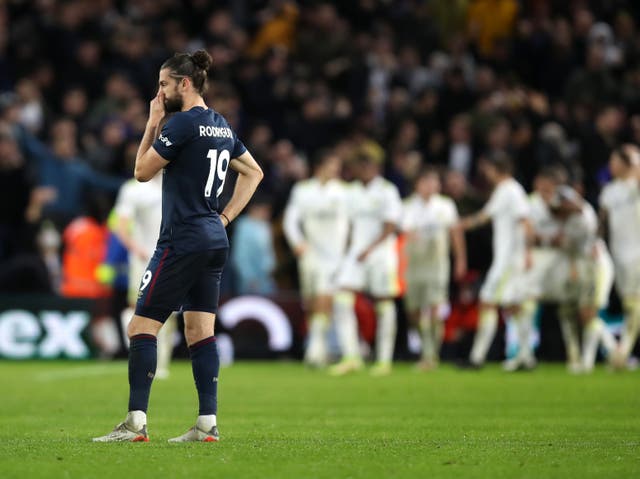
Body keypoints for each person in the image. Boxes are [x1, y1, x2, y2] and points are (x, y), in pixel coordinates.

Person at [93, 50, 263, 443]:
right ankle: (207, 423)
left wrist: (153, 123)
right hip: (214, 238)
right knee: (200, 330)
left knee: (140, 326)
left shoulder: (182, 125)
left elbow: (141, 172)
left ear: (184, 84)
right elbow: (254, 172)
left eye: (164, 84)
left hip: (181, 238)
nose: (159, 92)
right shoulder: (220, 125)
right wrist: (224, 218)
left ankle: (135, 423)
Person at [458, 152, 536, 370]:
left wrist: (528, 253)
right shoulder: (503, 191)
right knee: (514, 307)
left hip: (509, 261)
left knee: (487, 302)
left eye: (488, 168)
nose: (485, 173)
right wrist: (461, 224)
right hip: (507, 259)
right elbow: (485, 216)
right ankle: (526, 357)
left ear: (496, 168)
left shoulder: (512, 190)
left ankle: (476, 358)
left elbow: (526, 222)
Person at [331, 151, 403, 376]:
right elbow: (348, 225)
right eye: (360, 167)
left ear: (376, 168)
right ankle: (351, 356)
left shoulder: (387, 191)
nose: (363, 171)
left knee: (383, 303)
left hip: (381, 255)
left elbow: (391, 225)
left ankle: (384, 360)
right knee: (342, 298)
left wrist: (370, 249)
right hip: (356, 254)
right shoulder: (351, 191)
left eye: (367, 167)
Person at [283, 149, 349, 367]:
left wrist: (345, 251)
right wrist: (298, 243)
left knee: (324, 298)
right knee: (311, 302)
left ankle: (314, 350)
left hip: (333, 256)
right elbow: (290, 220)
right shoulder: (303, 190)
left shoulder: (342, 191)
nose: (336, 170)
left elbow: (349, 224)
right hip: (310, 253)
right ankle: (319, 347)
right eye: (332, 165)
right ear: (320, 166)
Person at [401, 167, 466, 370]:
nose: (430, 186)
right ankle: (424, 348)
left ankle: (431, 354)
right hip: (413, 264)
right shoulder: (408, 206)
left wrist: (460, 260)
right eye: (425, 181)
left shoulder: (445, 206)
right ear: (417, 185)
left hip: (437, 264)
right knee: (414, 311)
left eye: (433, 181)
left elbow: (455, 234)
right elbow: (403, 235)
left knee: (435, 306)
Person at [113, 172, 178, 379]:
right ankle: (140, 356)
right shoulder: (133, 189)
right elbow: (121, 226)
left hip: (173, 258)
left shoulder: (175, 183)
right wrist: (137, 249)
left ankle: (161, 364)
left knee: (170, 312)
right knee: (139, 309)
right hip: (143, 260)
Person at [599, 144, 640, 369]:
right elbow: (602, 222)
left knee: (635, 303)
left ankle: (623, 351)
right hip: (617, 254)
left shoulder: (635, 186)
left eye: (615, 161)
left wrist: (635, 161)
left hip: (637, 252)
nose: (611, 165)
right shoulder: (609, 191)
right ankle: (625, 352)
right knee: (629, 303)